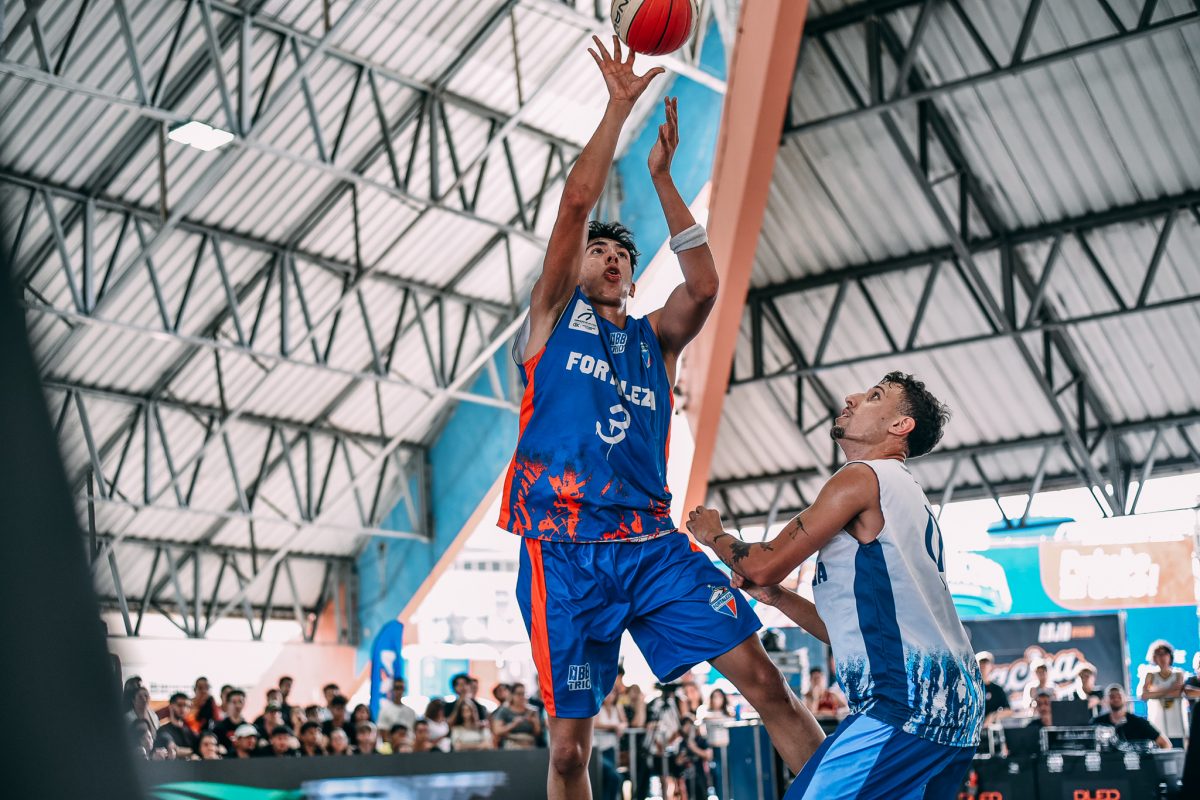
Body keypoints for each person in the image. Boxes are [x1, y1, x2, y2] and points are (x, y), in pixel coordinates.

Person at [497, 36, 822, 800]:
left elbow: (704, 286)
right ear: (574, 268)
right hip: (562, 551)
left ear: (633, 277)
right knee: (569, 755)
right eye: (597, 252)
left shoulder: (655, 341)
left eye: (621, 255)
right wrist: (618, 109)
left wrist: (664, 180)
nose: (610, 258)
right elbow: (575, 204)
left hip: (651, 545)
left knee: (767, 685)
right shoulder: (550, 321)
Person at [688, 373, 985, 799]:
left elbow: (763, 564)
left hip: (905, 707)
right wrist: (778, 598)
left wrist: (714, 534)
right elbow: (852, 632)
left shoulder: (863, 477)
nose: (852, 397)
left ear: (900, 426)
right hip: (955, 707)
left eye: (874, 396)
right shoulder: (908, 495)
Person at [1138, 639, 1188, 747]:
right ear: (1154, 658)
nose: (1162, 657)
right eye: (1158, 654)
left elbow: (1177, 693)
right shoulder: (1150, 675)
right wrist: (1170, 689)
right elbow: (1144, 695)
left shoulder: (1178, 674)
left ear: (1170, 656)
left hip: (1177, 726)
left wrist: (1155, 693)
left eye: (1164, 654)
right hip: (1157, 727)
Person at [1094, 684, 1170, 749]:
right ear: (1106, 700)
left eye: (1119, 696)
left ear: (1125, 698)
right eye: (1112, 697)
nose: (1116, 699)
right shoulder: (1097, 722)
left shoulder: (1139, 722)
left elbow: (1165, 744)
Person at [594, 688, 626, 800]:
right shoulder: (598, 707)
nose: (610, 696)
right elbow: (595, 724)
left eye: (613, 693)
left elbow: (624, 722)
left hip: (611, 749)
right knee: (614, 777)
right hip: (597, 750)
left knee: (608, 780)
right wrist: (614, 727)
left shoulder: (617, 708)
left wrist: (621, 726)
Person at [492, 682, 542, 750]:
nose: (522, 697)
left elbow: (538, 733)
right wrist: (513, 724)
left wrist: (534, 722)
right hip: (511, 745)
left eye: (523, 694)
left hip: (529, 745)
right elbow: (497, 731)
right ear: (512, 695)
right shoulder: (504, 711)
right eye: (519, 694)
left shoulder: (532, 711)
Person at [976, 652, 1011, 725]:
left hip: (990, 728)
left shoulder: (997, 689)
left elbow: (1008, 711)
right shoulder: (972, 688)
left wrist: (993, 716)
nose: (984, 666)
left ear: (991, 666)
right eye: (981, 663)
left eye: (986, 663)